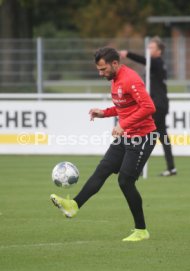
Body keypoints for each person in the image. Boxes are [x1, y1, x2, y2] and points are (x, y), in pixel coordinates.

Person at [50, 47, 157, 242]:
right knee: (103, 169)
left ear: (115, 64)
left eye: (103, 69)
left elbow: (149, 107)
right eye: (99, 70)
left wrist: (123, 125)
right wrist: (104, 113)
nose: (101, 74)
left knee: (125, 181)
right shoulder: (115, 79)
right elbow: (123, 106)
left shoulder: (130, 79)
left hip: (143, 137)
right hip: (126, 136)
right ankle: (73, 205)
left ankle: (141, 230)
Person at [119, 36, 177, 176]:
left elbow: (145, 61)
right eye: (148, 47)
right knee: (162, 136)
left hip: (156, 104)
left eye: (151, 48)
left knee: (142, 132)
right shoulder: (157, 64)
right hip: (161, 104)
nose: (148, 50)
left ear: (159, 51)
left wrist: (128, 54)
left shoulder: (156, 62)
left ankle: (136, 168)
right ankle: (171, 168)